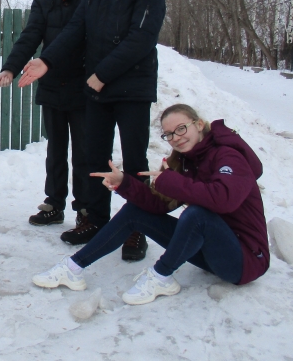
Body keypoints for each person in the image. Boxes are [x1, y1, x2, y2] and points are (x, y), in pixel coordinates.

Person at [18, 0, 166, 260]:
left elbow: (143, 37)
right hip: (96, 87)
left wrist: (101, 74)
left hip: (131, 85)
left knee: (134, 162)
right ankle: (96, 221)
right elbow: (76, 29)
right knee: (93, 159)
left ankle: (136, 227)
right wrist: (47, 61)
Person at [31, 104, 269, 305]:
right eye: (169, 134)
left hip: (245, 262)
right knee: (136, 213)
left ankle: (161, 277)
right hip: (210, 254)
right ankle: (73, 268)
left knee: (197, 214)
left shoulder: (228, 155)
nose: (176, 137)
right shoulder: (187, 162)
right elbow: (158, 206)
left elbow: (223, 200)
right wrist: (125, 183)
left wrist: (172, 181)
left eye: (181, 128)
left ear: (199, 124)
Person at [0, 0, 90, 228]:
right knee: (56, 149)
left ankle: (86, 209)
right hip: (52, 85)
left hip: (84, 85)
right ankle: (54, 204)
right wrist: (10, 67)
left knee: (85, 151)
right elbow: (31, 35)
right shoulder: (44, 0)